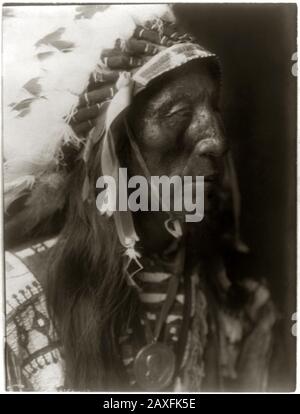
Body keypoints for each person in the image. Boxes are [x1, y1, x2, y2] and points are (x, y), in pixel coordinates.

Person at [4, 4, 276, 392]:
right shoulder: (13, 304)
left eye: (212, 107)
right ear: (110, 151)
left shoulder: (233, 300)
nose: (217, 139)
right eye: (178, 113)